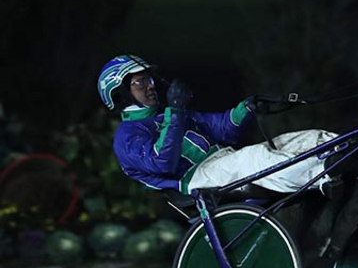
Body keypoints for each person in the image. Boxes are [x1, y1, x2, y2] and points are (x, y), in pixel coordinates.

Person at [97, 54, 339, 197]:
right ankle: (327, 174)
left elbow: (223, 129)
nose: (150, 86)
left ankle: (348, 156)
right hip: (196, 180)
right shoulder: (127, 135)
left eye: (149, 79)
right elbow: (162, 162)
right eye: (140, 83)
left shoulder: (168, 113)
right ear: (121, 95)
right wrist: (176, 110)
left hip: (222, 162)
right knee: (253, 158)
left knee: (303, 139)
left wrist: (247, 107)